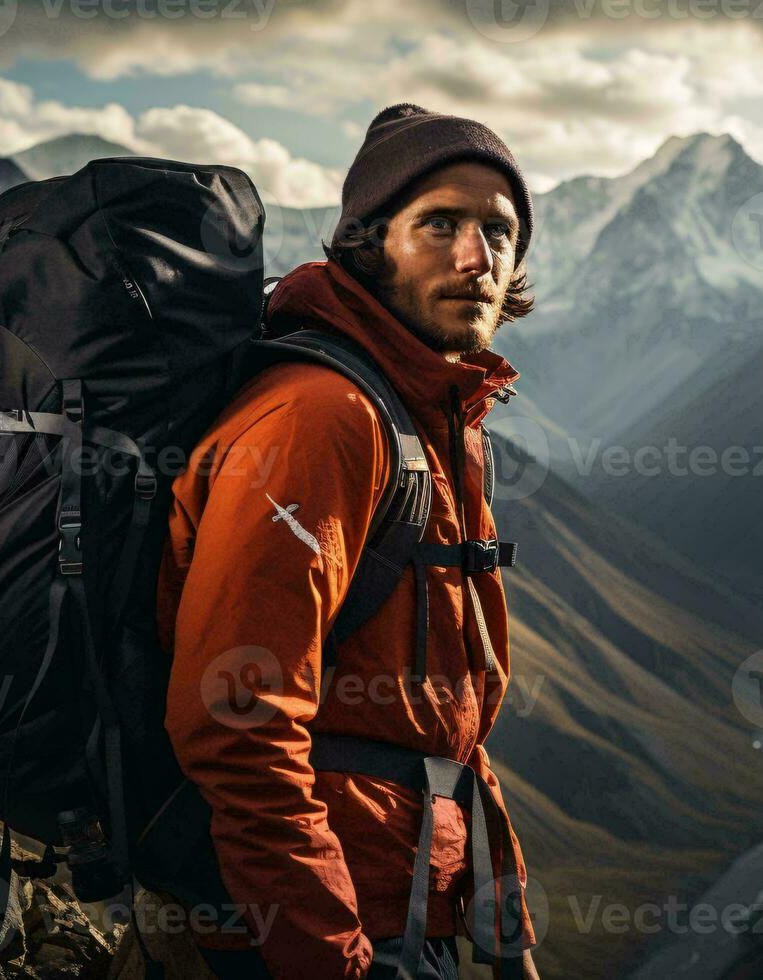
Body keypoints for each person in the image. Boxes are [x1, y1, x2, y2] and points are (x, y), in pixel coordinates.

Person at [155, 103, 542, 979]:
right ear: (369, 242)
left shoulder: (432, 412)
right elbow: (236, 724)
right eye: (438, 224)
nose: (477, 259)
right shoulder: (322, 420)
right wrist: (327, 957)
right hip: (318, 936)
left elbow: (447, 731)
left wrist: (502, 929)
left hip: (402, 909)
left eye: (499, 230)